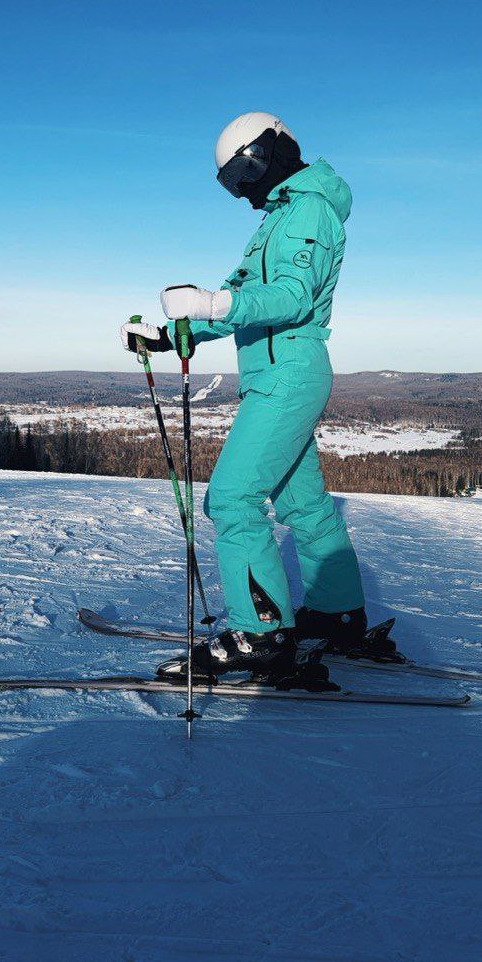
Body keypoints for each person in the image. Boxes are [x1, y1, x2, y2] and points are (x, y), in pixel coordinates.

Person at [121, 112, 372, 680]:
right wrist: (171, 334)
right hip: (275, 374)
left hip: (289, 373)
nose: (242, 193)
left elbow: (290, 297)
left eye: (242, 176)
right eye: (231, 184)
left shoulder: (308, 210)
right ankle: (336, 613)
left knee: (231, 499)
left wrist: (211, 303)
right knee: (301, 504)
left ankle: (261, 633)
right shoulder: (279, 217)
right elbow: (240, 297)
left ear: (266, 154)